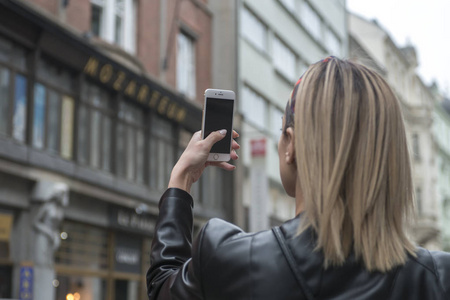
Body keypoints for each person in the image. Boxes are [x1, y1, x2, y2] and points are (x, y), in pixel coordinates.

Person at [147, 57, 450, 299]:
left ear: (291, 144)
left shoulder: (231, 259)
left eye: (281, 130)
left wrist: (181, 179)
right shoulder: (438, 277)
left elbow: (163, 286)